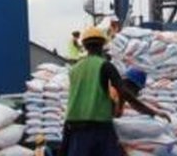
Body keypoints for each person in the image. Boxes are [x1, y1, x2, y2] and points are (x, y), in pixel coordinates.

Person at [63, 26, 169, 156]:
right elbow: (124, 92)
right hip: (99, 128)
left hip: (73, 129)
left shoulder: (74, 69)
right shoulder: (105, 65)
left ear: (84, 46)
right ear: (102, 45)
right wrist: (152, 112)